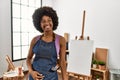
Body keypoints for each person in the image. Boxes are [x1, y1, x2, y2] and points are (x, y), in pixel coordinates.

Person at [26, 6, 68, 80]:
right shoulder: (35, 40)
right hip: (34, 78)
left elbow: (62, 63)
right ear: (39, 24)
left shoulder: (61, 40)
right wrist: (31, 72)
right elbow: (28, 59)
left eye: (49, 20)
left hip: (51, 77)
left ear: (53, 22)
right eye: (43, 21)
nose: (47, 23)